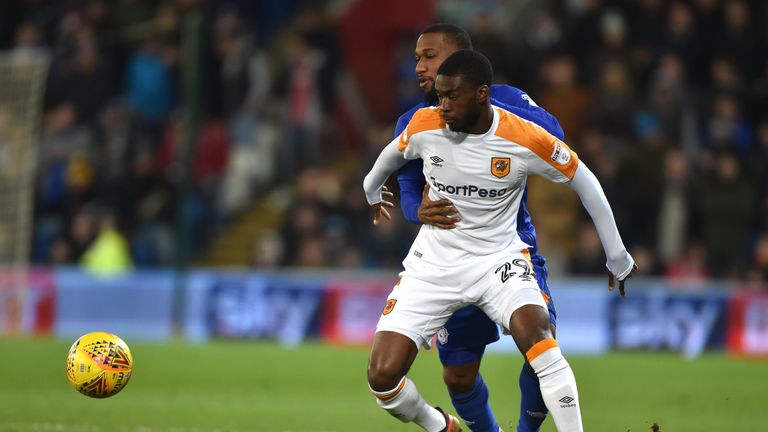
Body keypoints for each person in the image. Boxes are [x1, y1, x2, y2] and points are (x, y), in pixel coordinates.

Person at [364, 50, 636, 432]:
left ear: (481, 94)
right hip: (433, 266)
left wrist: (617, 254)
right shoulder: (425, 125)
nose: (442, 106)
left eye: (451, 97)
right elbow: (387, 160)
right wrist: (372, 192)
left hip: (499, 262)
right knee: (381, 376)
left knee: (540, 340)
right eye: (439, 97)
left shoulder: (521, 137)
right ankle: (442, 426)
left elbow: (583, 179)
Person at [394, 24, 564, 432]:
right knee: (457, 376)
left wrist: (495, 122)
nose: (419, 66)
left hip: (508, 251)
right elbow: (405, 184)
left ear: (457, 58)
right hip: (449, 261)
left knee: (540, 347)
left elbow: (556, 137)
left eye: (429, 56)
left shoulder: (504, 99)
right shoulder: (415, 120)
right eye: (417, 57)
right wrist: (418, 209)